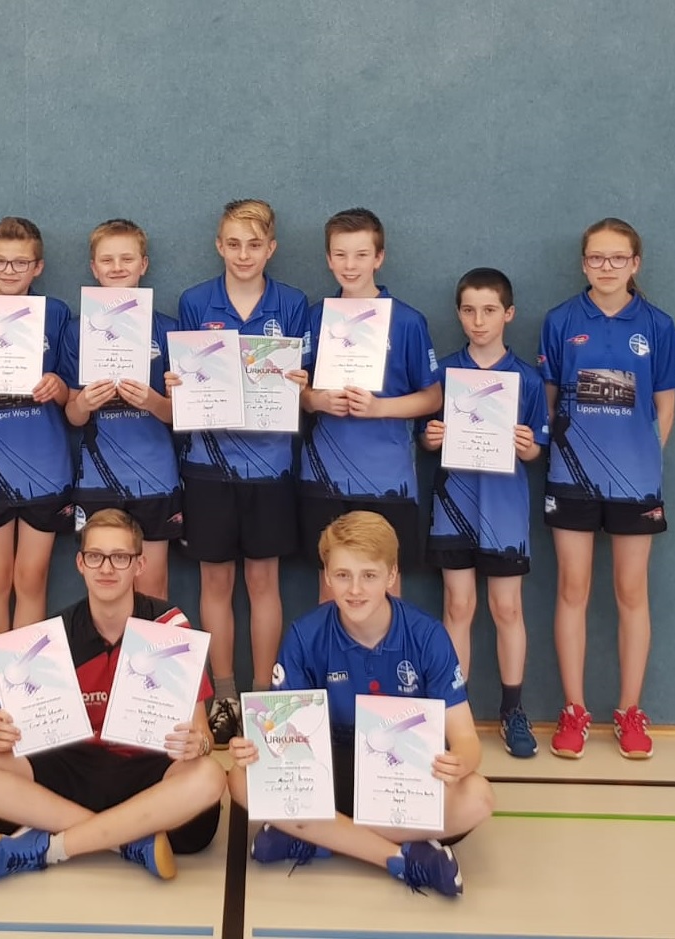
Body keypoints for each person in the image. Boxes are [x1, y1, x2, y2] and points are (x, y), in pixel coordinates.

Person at [0, 508, 226, 883]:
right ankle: (127, 840)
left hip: (146, 769)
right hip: (74, 769)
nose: (106, 568)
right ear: (80, 563)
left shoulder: (169, 627)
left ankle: (53, 846)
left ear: (139, 564)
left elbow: (202, 734)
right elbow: (26, 734)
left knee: (209, 777)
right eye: (95, 556)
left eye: (120, 557)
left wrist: (198, 745)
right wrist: (3, 733)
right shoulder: (53, 636)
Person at [228, 512, 495, 898]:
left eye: (369, 575)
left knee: (478, 797)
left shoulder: (427, 636)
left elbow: (466, 738)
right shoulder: (306, 635)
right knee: (240, 780)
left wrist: (461, 762)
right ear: (326, 575)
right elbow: (282, 737)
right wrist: (257, 748)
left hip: (400, 776)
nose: (355, 589)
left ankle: (315, 834)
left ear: (391, 575)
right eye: (342, 575)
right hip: (330, 770)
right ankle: (400, 856)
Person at [538, 218, 675, 760]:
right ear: (584, 263)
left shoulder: (657, 324)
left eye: (618, 258)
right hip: (570, 478)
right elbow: (549, 403)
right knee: (572, 589)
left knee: (631, 592)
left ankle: (630, 712)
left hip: (635, 482)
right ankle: (574, 711)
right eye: (597, 257)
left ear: (635, 264)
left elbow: (665, 407)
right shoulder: (560, 320)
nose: (607, 267)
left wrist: (638, 458)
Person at [166, 199, 310, 748]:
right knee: (215, 582)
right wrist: (176, 383)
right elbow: (183, 375)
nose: (243, 254)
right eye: (233, 244)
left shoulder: (293, 304)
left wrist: (302, 382)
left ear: (271, 248)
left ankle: (262, 695)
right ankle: (224, 695)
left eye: (254, 244)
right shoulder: (195, 301)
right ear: (218, 246)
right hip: (208, 466)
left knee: (263, 582)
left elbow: (305, 383)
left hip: (271, 467)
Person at [0, 217, 76, 744]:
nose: (9, 270)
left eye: (21, 262)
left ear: (38, 267)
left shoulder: (58, 314)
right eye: (0, 261)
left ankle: (23, 697)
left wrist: (57, 387)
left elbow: (71, 391)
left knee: (32, 581)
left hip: (46, 468)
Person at [420, 268, 549, 758]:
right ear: (458, 314)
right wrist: (431, 438)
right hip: (453, 506)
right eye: (470, 310)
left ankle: (513, 710)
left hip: (505, 511)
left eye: (489, 310)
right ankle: (456, 714)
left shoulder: (527, 379)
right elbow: (425, 436)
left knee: (507, 608)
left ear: (508, 314)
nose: (479, 320)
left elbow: (537, 449)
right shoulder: (443, 374)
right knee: (457, 607)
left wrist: (528, 447)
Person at [299, 208, 441, 601]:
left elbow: (433, 397)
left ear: (379, 258)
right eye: (340, 255)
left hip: (387, 479)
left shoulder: (408, 321)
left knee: (387, 593)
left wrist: (379, 408)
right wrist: (317, 400)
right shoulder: (315, 317)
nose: (350, 265)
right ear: (328, 259)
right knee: (332, 590)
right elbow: (296, 390)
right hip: (324, 478)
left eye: (361, 254)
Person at [63, 219, 181, 600]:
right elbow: (72, 415)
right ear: (93, 268)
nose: (117, 267)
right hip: (97, 477)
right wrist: (84, 402)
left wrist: (152, 401)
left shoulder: (168, 329)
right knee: (104, 587)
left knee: (152, 586)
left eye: (127, 259)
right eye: (107, 260)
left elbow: (179, 415)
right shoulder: (77, 331)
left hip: (155, 476)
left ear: (143, 264)